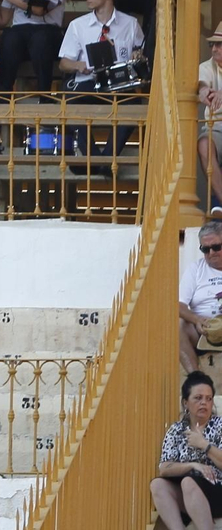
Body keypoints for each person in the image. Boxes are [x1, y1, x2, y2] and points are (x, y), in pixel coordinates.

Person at [151, 370, 222, 530]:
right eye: (198, 398)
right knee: (157, 484)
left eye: (208, 399)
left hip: (217, 489)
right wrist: (193, 465)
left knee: (188, 482)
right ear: (185, 402)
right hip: (188, 493)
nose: (204, 403)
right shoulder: (177, 430)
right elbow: (164, 468)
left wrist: (205, 445)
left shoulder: (219, 426)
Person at [59, 0, 145, 93]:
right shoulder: (77, 25)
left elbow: (142, 53)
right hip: (87, 83)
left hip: (121, 83)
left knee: (131, 100)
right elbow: (63, 64)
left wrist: (138, 55)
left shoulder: (131, 24)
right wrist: (78, 65)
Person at [182, 223, 222, 374]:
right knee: (179, 324)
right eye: (205, 249)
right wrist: (196, 319)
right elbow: (179, 304)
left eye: (216, 247)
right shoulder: (195, 269)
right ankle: (196, 377)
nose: (211, 253)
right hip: (204, 328)